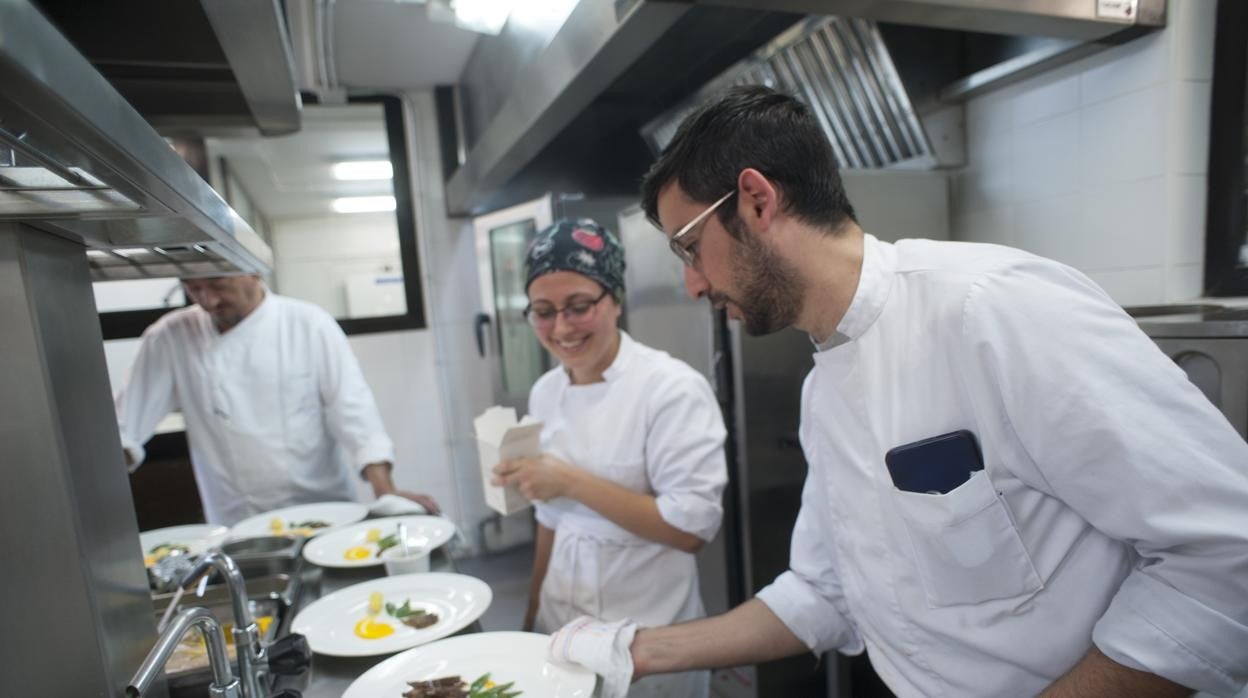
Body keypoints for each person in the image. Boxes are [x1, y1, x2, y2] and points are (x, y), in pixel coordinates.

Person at [549, 85, 1248, 698]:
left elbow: (1228, 554)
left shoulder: (993, 312)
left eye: (687, 246)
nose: (691, 285)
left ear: (757, 201)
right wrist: (634, 650)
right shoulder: (824, 388)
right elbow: (826, 591)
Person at [491, 219, 728, 698]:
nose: (560, 327)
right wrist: (533, 610)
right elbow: (550, 521)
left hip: (648, 640)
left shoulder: (670, 389)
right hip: (562, 630)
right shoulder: (545, 392)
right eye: (542, 311)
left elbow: (690, 530)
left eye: (579, 307)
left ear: (615, 300)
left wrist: (570, 481)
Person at [114, 274, 440, 525]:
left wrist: (386, 493)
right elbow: (124, 429)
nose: (208, 300)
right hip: (238, 526)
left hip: (326, 515)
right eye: (194, 288)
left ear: (253, 271)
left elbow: (355, 414)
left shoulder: (308, 324)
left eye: (217, 285)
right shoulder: (170, 337)